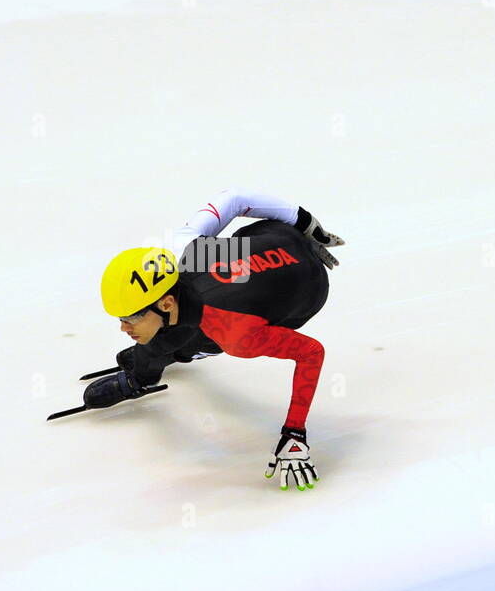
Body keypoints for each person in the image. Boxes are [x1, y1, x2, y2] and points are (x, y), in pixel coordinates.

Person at [88, 189, 344, 491]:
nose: (123, 328)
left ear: (166, 303)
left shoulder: (236, 334)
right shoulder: (186, 248)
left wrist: (294, 433)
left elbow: (311, 353)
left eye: (130, 319)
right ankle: (154, 362)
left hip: (309, 290)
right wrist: (306, 223)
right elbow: (234, 198)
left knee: (198, 340)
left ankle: (148, 372)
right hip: (278, 234)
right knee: (184, 326)